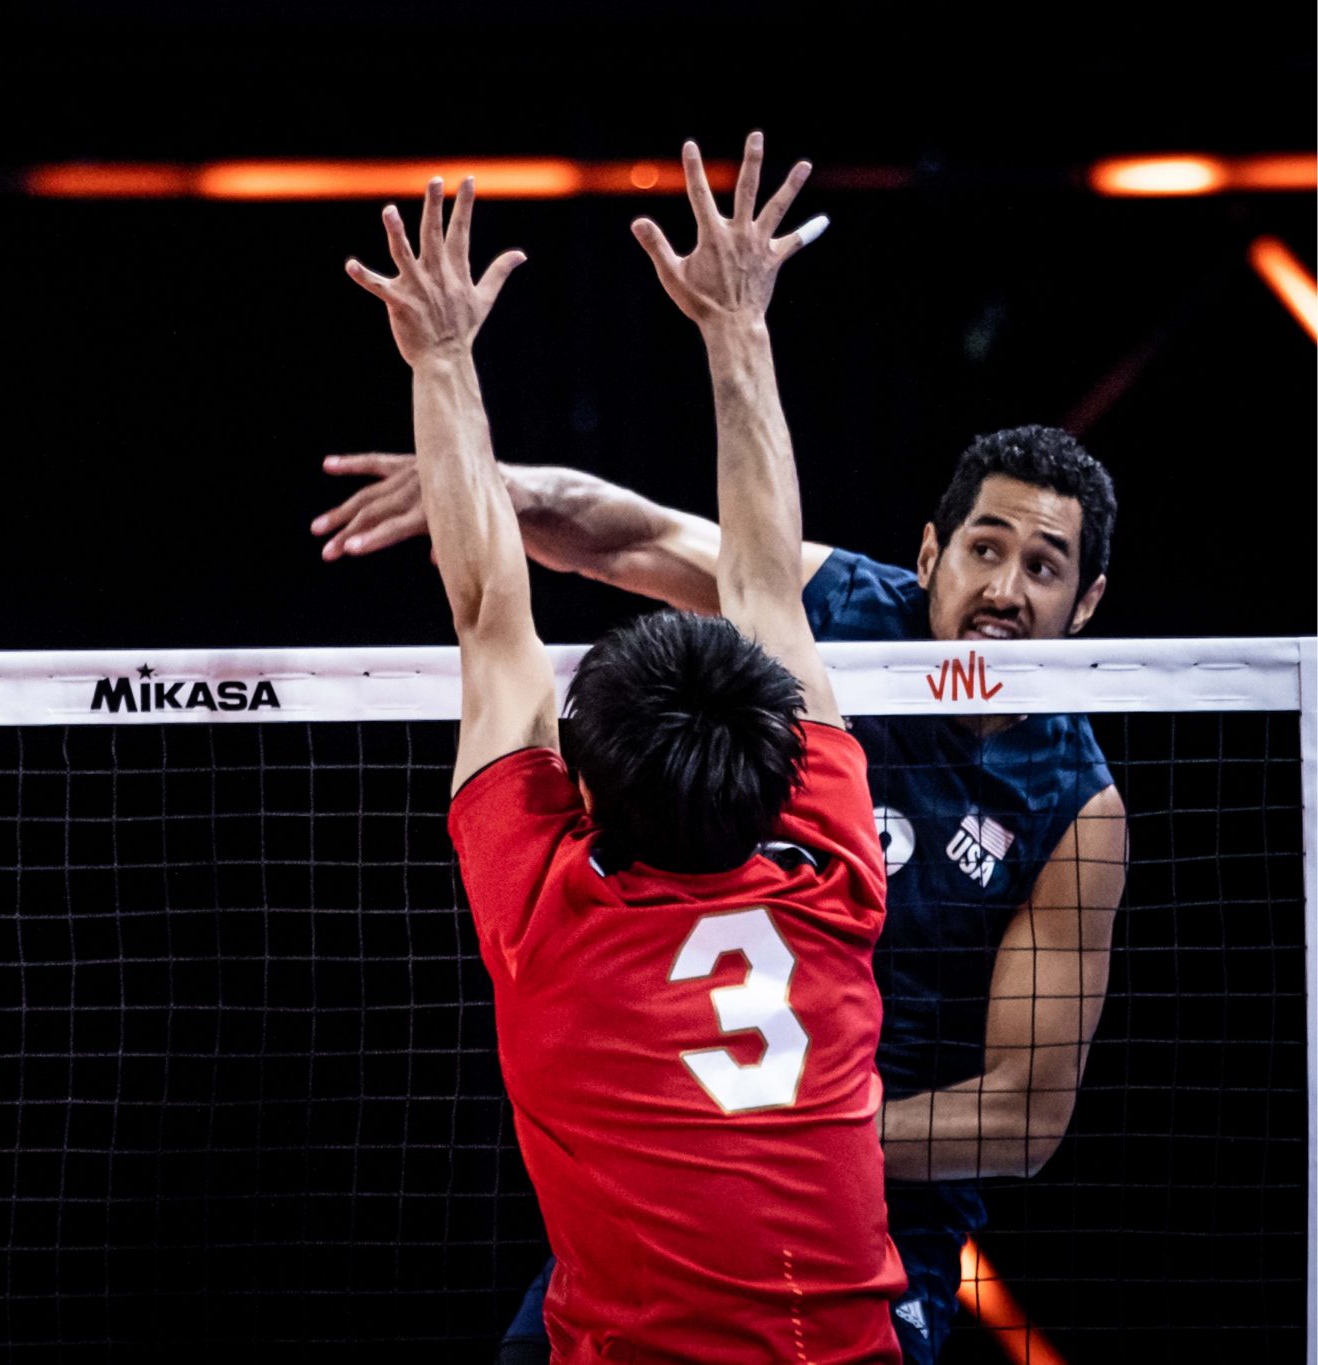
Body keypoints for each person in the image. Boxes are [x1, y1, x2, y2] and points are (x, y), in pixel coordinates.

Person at [315, 179, 1127, 1365]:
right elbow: (687, 552)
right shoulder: (839, 820)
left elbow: (1023, 1115)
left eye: (1042, 567)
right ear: (927, 551)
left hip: (858, 1204)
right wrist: (513, 481)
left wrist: (445, 370)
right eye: (985, 548)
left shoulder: (1072, 807)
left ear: (1085, 601)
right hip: (748, 1158)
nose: (1003, 589)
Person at [344, 136, 904, 1362]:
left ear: (583, 794)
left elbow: (489, 609)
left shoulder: (552, 921)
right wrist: (736, 327)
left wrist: (438, 357)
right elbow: (762, 584)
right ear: (778, 775)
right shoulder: (831, 873)